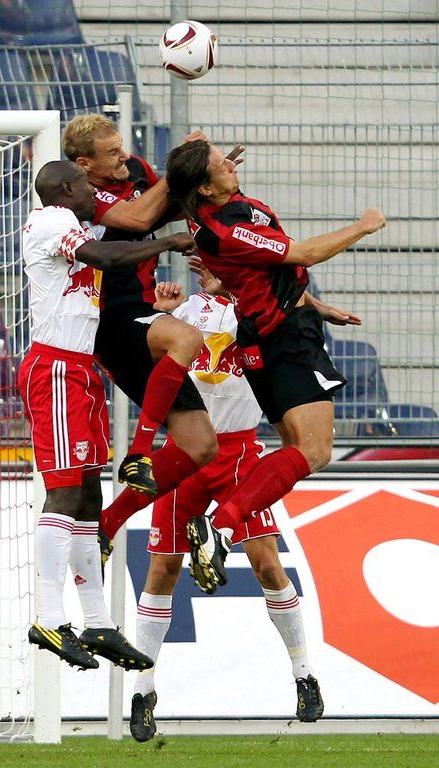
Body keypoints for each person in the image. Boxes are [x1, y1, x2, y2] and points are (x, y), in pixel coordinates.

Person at [127, 266, 362, 741]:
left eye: (216, 261)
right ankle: (143, 690)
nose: (204, 269)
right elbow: (134, 352)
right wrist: (158, 314)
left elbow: (292, 293)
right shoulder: (183, 314)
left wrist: (311, 306)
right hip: (184, 451)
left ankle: (303, 674)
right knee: (162, 569)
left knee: (267, 566)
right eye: (201, 260)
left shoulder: (256, 315)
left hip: (238, 453)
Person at [165, 139, 387, 593]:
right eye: (220, 164)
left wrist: (317, 306)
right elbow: (303, 254)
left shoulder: (207, 208)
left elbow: (262, 275)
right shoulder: (227, 229)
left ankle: (222, 525)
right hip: (284, 339)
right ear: (204, 188)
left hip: (262, 335)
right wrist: (363, 227)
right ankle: (221, 527)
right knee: (315, 451)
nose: (231, 164)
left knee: (293, 448)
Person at [18, 159, 196, 671]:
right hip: (54, 367)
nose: (94, 193)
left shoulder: (76, 223)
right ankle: (49, 617)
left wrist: (188, 182)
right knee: (64, 492)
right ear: (67, 188)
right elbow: (104, 255)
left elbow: (137, 221)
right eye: (86, 186)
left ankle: (96, 622)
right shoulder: (52, 220)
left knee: (89, 498)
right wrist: (167, 244)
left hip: (81, 370)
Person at [62, 114, 218, 499]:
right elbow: (139, 218)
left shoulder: (134, 169)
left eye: (121, 146)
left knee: (200, 445)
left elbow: (168, 209)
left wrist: (204, 178)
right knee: (187, 338)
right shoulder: (80, 196)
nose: (124, 156)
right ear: (85, 164)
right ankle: (137, 451)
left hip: (143, 312)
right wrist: (177, 169)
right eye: (112, 152)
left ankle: (107, 523)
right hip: (109, 317)